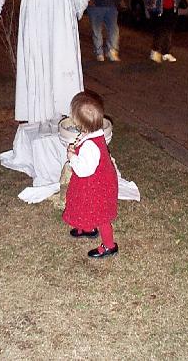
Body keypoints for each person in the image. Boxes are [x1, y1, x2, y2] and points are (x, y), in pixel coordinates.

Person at [62, 90, 119, 258]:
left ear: (81, 124)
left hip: (96, 185)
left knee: (101, 214)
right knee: (85, 205)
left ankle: (109, 245)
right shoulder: (92, 134)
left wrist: (72, 157)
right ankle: (88, 227)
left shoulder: (90, 147)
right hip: (95, 182)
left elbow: (83, 170)